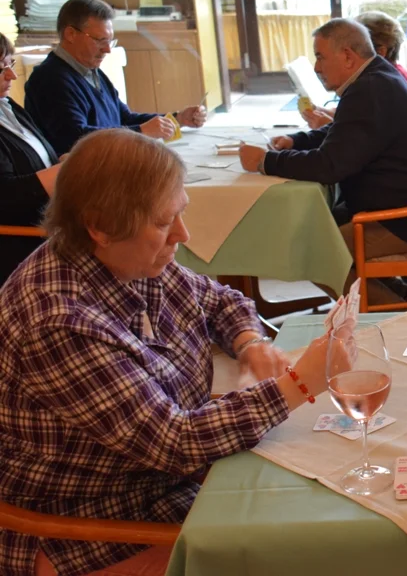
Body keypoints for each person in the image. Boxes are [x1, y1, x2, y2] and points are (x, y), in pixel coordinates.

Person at [0, 129, 336, 576]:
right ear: (99, 226)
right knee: (297, 550)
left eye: (178, 213)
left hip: (152, 482)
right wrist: (296, 385)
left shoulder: (127, 257)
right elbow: (176, 442)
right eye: (163, 222)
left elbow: (219, 300)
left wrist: (249, 342)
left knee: (306, 511)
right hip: (84, 521)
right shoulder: (58, 320)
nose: (183, 233)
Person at [239, 18, 407, 307]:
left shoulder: (369, 89)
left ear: (347, 56)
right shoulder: (376, 77)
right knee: (313, 229)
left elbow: (329, 166)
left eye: (320, 57)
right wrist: (298, 141)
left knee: (316, 255)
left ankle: (397, 319)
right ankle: (404, 299)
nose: (316, 67)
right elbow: (344, 133)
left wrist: (266, 161)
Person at [25, 0, 207, 155]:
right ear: (71, 34)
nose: (107, 49)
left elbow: (124, 118)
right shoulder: (50, 79)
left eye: (109, 40)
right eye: (100, 40)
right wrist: (141, 131)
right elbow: (75, 139)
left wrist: (176, 119)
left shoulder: (90, 70)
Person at [0, 32, 62, 285]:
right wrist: (64, 171)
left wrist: (62, 161)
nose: (11, 76)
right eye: (0, 69)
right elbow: (5, 197)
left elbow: (42, 157)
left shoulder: (9, 106)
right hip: (23, 242)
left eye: (10, 64)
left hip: (51, 224)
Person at [302, 11, 407, 129]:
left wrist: (329, 127)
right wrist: (322, 113)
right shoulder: (388, 76)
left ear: (380, 52)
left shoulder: (379, 83)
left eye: (360, 46)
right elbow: (362, 117)